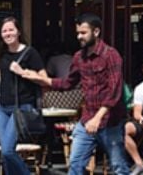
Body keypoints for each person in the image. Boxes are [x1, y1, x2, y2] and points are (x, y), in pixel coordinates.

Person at [12, 13, 132, 175]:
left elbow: (115, 90)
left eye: (83, 33)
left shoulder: (111, 55)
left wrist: (98, 117)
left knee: (118, 167)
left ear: (96, 32)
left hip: (110, 122)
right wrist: (39, 79)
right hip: (87, 119)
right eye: (77, 33)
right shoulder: (79, 57)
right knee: (75, 164)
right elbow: (67, 83)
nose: (79, 37)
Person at [0, 17, 45, 175]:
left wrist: (23, 72)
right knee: (5, 154)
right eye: (4, 31)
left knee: (8, 151)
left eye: (11, 30)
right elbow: (1, 78)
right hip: (3, 108)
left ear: (18, 32)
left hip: (22, 107)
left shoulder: (30, 53)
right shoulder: (2, 54)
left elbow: (44, 79)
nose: (7, 33)